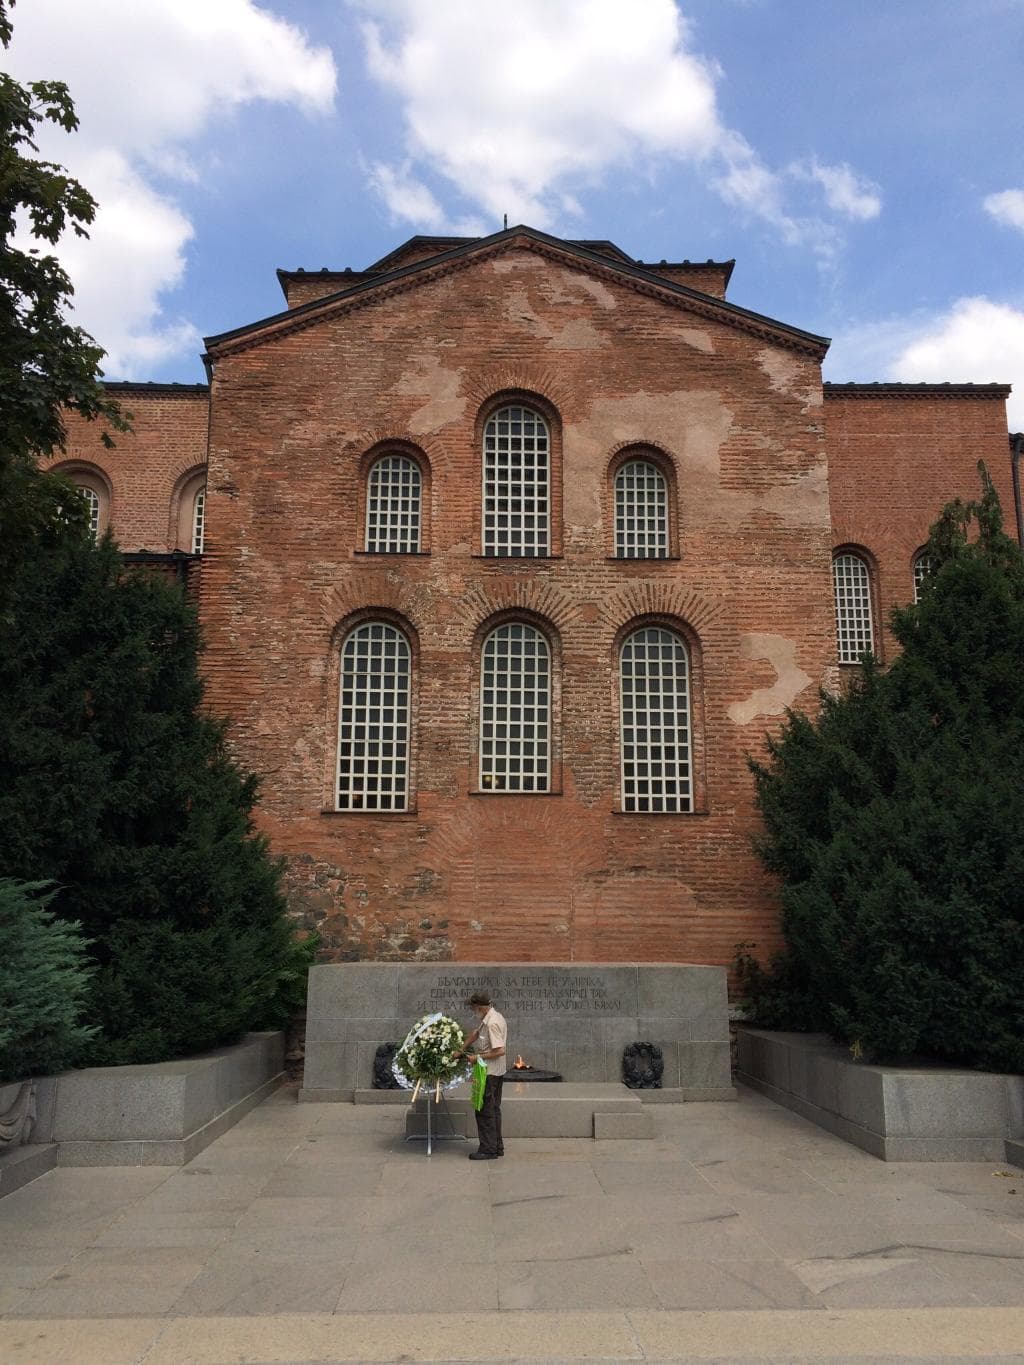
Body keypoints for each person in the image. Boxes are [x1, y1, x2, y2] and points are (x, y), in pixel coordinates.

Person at [462, 990, 507, 1159]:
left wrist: (476, 1057)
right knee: (493, 1109)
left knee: (485, 1111)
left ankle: (488, 1149)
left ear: (480, 1007)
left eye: (473, 1008)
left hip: (490, 1073)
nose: (473, 1011)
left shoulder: (492, 1023)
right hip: (493, 1071)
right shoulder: (489, 1018)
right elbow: (475, 1034)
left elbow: (500, 1050)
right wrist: (461, 1049)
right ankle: (497, 1146)